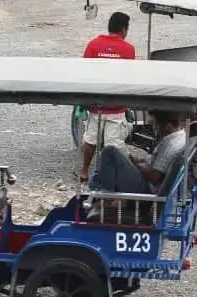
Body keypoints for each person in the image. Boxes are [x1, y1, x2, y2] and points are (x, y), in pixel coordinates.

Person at [79, 11, 136, 183]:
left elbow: (84, 72)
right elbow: (129, 76)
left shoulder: (93, 45)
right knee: (114, 145)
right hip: (117, 106)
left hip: (96, 104)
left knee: (90, 139)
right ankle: (112, 176)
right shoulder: (128, 49)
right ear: (124, 29)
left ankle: (84, 170)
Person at [88, 109, 187, 198]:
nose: (155, 129)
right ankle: (101, 188)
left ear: (168, 127)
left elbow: (153, 177)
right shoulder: (181, 135)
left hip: (149, 189)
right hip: (149, 179)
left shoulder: (169, 145)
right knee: (109, 165)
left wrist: (136, 165)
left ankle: (106, 197)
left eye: (156, 125)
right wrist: (139, 161)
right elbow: (157, 165)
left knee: (109, 151)